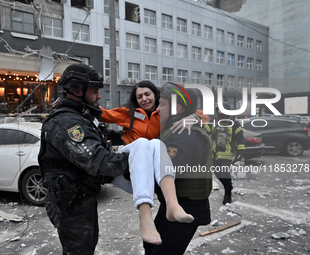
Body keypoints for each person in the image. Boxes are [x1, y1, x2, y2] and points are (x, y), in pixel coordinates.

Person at [38, 63, 130, 255]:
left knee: (86, 247)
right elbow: (101, 162)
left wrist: (129, 138)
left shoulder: (80, 115)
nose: (98, 96)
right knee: (79, 250)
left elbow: (101, 135)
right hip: (70, 203)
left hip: (80, 198)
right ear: (77, 90)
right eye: (95, 91)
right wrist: (137, 157)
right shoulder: (66, 122)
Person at [100, 81, 196, 245]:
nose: (144, 98)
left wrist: (194, 117)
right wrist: (74, 101)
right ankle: (144, 216)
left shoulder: (164, 113)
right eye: (139, 96)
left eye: (147, 94)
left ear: (155, 95)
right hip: (128, 161)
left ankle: (172, 205)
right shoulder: (129, 113)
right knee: (143, 142)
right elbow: (103, 114)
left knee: (158, 144)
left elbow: (199, 112)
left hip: (146, 173)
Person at [144, 83, 213, 255]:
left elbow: (168, 173)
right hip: (176, 202)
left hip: (185, 206)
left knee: (163, 252)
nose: (157, 109)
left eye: (163, 104)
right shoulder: (177, 129)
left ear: (177, 107)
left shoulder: (182, 136)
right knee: (150, 246)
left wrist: (130, 170)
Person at [205, 102, 246, 204]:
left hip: (227, 155)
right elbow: (204, 133)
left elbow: (240, 140)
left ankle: (228, 194)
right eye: (220, 110)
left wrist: (242, 152)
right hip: (214, 155)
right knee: (217, 173)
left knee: (224, 173)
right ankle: (228, 185)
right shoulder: (212, 122)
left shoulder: (235, 124)